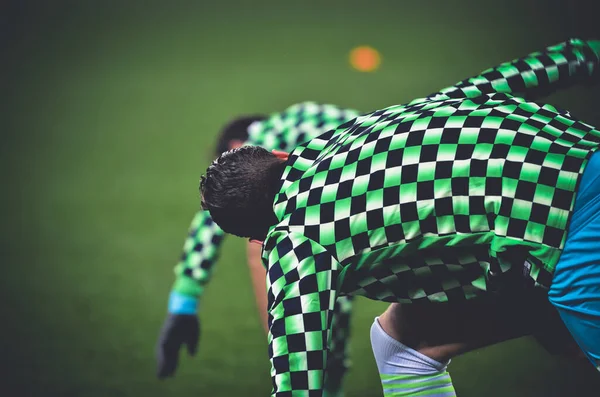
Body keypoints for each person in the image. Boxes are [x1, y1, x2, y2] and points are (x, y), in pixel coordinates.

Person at [200, 38, 600, 396]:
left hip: (568, 230)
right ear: (283, 157)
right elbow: (484, 86)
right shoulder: (350, 134)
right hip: (584, 158)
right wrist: (584, 55)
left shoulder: (293, 241)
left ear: (258, 240)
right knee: (402, 343)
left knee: (567, 315)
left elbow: (298, 386)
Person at [156, 102, 361, 396]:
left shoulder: (265, 137)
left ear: (235, 146)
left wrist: (184, 302)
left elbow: (213, 215)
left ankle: (312, 371)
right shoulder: (305, 119)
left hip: (345, 211)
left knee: (275, 249)